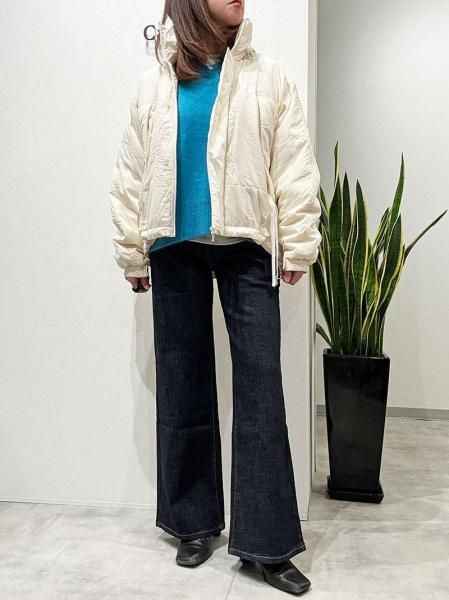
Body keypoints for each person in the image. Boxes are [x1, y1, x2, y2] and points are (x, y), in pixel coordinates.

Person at [109, 0, 321, 595]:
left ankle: (267, 545)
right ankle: (192, 523)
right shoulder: (155, 82)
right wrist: (132, 251)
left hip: (246, 245)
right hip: (172, 246)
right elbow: (131, 171)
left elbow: (293, 163)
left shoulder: (266, 76)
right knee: (182, 384)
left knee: (261, 391)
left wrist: (298, 243)